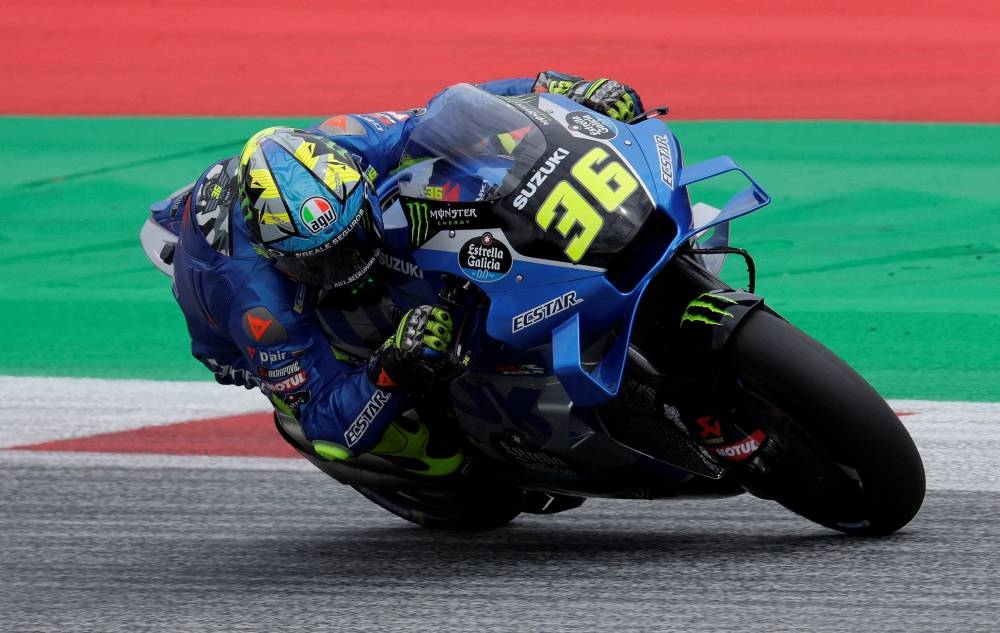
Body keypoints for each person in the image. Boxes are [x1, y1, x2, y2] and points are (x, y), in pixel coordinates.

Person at [160, 71, 643, 476]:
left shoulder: (351, 143)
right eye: (321, 262)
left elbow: (454, 113)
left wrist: (563, 89)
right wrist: (393, 366)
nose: (347, 267)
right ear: (275, 254)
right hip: (242, 335)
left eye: (350, 243)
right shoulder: (256, 299)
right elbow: (326, 420)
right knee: (429, 454)